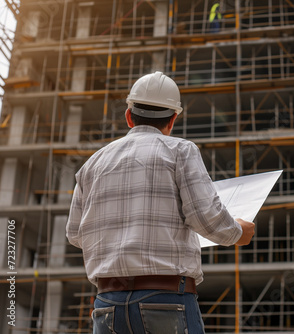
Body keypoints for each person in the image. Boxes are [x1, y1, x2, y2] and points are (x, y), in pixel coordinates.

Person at [66, 71, 255, 333]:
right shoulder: (180, 151)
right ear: (173, 118)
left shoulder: (92, 164)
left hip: (108, 304)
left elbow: (75, 234)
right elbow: (206, 218)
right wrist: (239, 232)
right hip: (165, 301)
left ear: (129, 116)